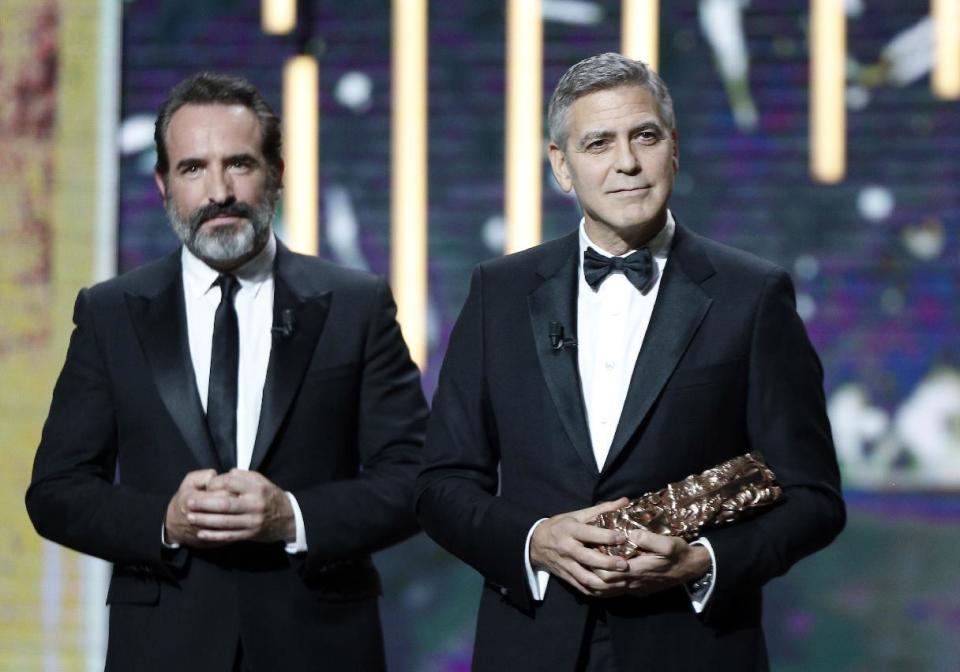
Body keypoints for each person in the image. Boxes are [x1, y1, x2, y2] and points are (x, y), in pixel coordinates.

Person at [416, 53, 845, 671]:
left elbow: (814, 496)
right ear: (562, 168)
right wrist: (536, 542)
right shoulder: (498, 294)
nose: (627, 162)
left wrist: (702, 562)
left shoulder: (752, 296)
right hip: (533, 642)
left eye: (644, 136)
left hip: (689, 648)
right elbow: (441, 486)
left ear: (673, 148)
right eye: (598, 143)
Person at [26, 72, 428, 671]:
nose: (219, 190)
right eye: (193, 169)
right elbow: (56, 493)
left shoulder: (355, 304)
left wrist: (292, 516)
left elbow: (418, 477)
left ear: (278, 174)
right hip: (163, 645)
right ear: (164, 184)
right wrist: (163, 520)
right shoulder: (111, 313)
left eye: (239, 163)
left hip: (319, 643)